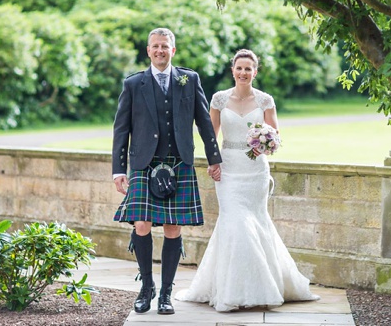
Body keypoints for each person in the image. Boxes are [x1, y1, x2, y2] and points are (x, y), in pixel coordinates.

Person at [175, 49, 319, 311]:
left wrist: (263, 144)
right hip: (228, 170)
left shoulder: (265, 100)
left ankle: (263, 285)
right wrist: (212, 162)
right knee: (234, 224)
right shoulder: (219, 99)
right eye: (239, 68)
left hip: (255, 172)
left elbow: (275, 135)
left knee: (255, 223)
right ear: (233, 70)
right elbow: (211, 136)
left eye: (248, 68)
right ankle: (231, 290)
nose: (243, 73)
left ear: (255, 71)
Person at [112, 27, 222, 315]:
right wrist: (117, 170)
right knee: (141, 225)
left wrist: (214, 158)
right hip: (143, 163)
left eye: (165, 46)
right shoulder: (134, 83)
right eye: (155, 46)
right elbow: (121, 128)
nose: (160, 50)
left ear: (173, 50)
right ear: (148, 51)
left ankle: (166, 293)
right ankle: (146, 286)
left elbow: (204, 122)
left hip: (179, 161)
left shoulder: (190, 79)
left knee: (174, 227)